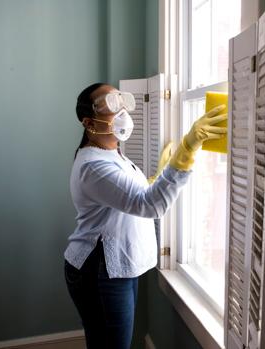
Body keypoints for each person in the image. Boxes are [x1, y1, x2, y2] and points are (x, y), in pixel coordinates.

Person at [63, 82, 227, 349]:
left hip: (117, 267)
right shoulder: (93, 165)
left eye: (122, 100)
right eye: (111, 104)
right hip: (99, 269)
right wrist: (186, 151)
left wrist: (158, 176)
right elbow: (150, 206)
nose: (122, 110)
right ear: (89, 122)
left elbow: (129, 195)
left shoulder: (112, 154)